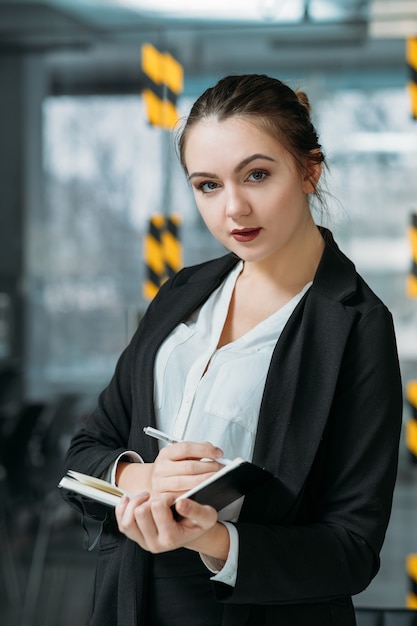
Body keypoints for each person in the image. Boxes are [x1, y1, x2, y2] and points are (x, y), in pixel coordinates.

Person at [62, 74, 403, 626]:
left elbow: (351, 548)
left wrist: (217, 538)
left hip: (253, 610)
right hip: (130, 597)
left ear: (310, 170)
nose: (234, 209)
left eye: (257, 175)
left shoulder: (356, 326)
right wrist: (140, 478)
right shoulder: (182, 291)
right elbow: (88, 446)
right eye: (208, 185)